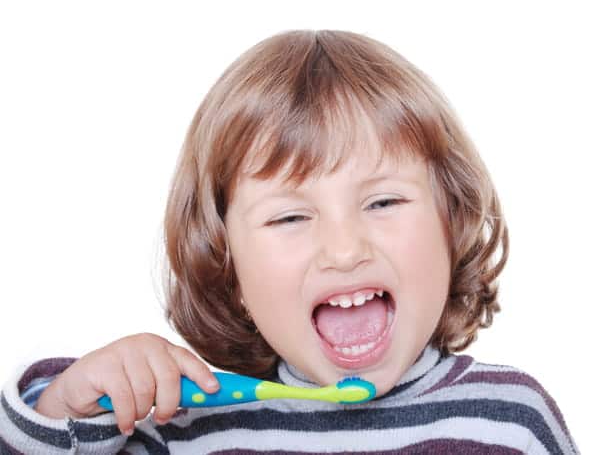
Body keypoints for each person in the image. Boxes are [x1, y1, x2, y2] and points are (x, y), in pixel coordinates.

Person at [0, 29, 579, 454]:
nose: (345, 249)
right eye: (290, 218)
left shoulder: (512, 422)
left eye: (383, 202)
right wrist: (64, 405)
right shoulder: (182, 436)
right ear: (225, 263)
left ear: (452, 221)